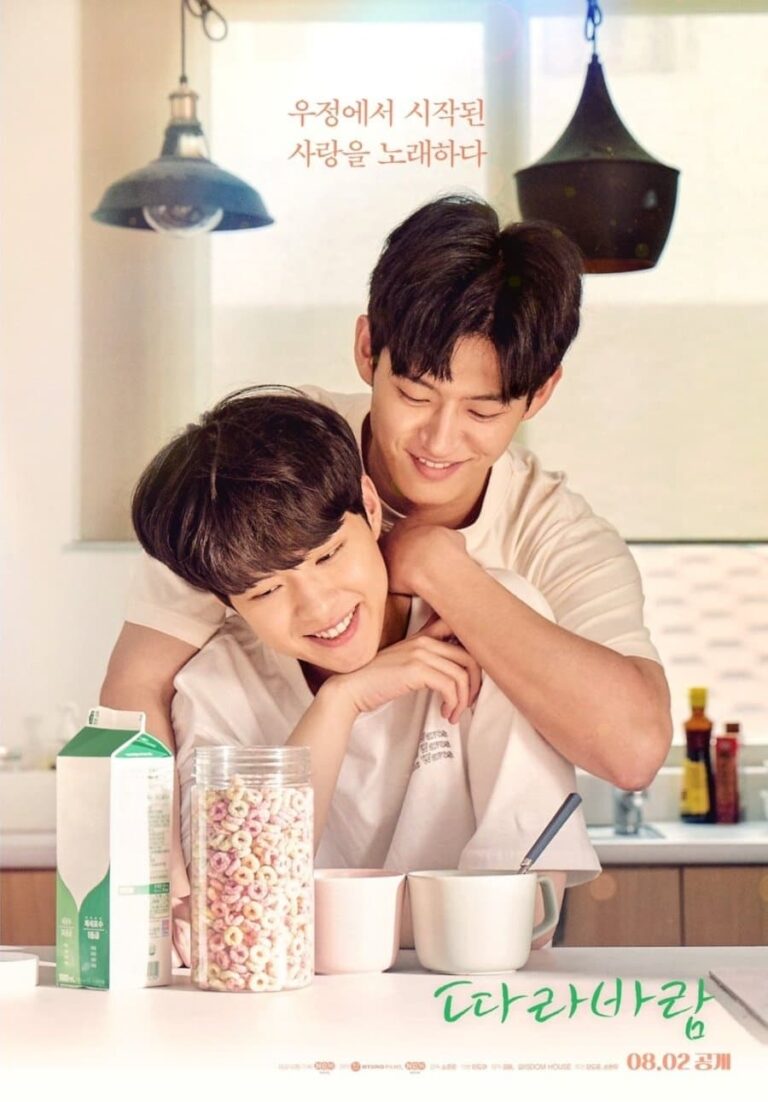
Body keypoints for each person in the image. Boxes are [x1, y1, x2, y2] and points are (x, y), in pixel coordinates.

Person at [101, 194, 671, 912]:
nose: (439, 440)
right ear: (368, 348)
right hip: (275, 898)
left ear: (539, 394)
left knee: (514, 610)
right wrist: (166, 895)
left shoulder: (555, 534)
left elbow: (633, 751)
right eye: (414, 394)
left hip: (468, 925)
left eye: (483, 410)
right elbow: (135, 692)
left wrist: (435, 563)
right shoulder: (268, 464)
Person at [131, 388, 600, 958]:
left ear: (371, 508)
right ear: (225, 599)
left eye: (328, 556)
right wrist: (340, 704)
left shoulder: (484, 622)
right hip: (290, 1006)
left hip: (465, 996)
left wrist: (292, 917)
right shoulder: (213, 688)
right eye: (267, 591)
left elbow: (525, 914)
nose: (318, 607)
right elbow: (229, 917)